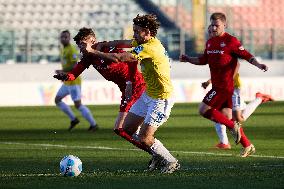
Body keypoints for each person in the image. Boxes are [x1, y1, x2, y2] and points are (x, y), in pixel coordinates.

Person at [79, 14, 179, 173]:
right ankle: (157, 155)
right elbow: (119, 43)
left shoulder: (150, 48)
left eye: (136, 31)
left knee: (145, 138)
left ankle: (170, 161)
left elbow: (119, 58)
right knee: (126, 129)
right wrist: (101, 45)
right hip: (149, 95)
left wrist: (93, 51)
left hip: (162, 98)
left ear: (147, 32)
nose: (133, 34)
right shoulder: (143, 41)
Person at [180, 12, 269, 157]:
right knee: (227, 118)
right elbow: (204, 60)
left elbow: (246, 55)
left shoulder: (231, 41)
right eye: (212, 25)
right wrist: (188, 59)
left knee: (203, 110)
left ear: (224, 25)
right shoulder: (210, 42)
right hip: (217, 85)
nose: (214, 28)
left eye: (217, 25)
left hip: (224, 87)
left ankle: (233, 127)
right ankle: (247, 145)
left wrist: (258, 65)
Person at [54, 28, 151, 154]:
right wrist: (65, 76)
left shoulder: (108, 48)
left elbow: (131, 60)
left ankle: (154, 153)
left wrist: (129, 82)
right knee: (121, 129)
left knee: (121, 128)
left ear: (92, 40)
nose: (81, 49)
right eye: (79, 46)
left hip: (136, 85)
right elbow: (74, 73)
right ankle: (152, 151)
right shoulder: (88, 57)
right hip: (126, 90)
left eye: (83, 45)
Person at [202, 62, 274, 151]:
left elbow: (235, 65)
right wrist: (209, 81)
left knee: (238, 118)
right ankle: (224, 142)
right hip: (224, 88)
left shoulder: (227, 53)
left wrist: (226, 80)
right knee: (219, 112)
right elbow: (220, 73)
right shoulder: (217, 53)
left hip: (233, 88)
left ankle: (259, 98)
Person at [54, 30, 98, 131]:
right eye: (62, 37)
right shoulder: (63, 49)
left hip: (74, 82)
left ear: (69, 38)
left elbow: (75, 66)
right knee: (57, 99)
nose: (63, 39)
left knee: (78, 104)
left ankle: (93, 124)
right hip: (67, 81)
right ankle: (74, 119)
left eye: (66, 37)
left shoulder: (72, 50)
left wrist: (62, 71)